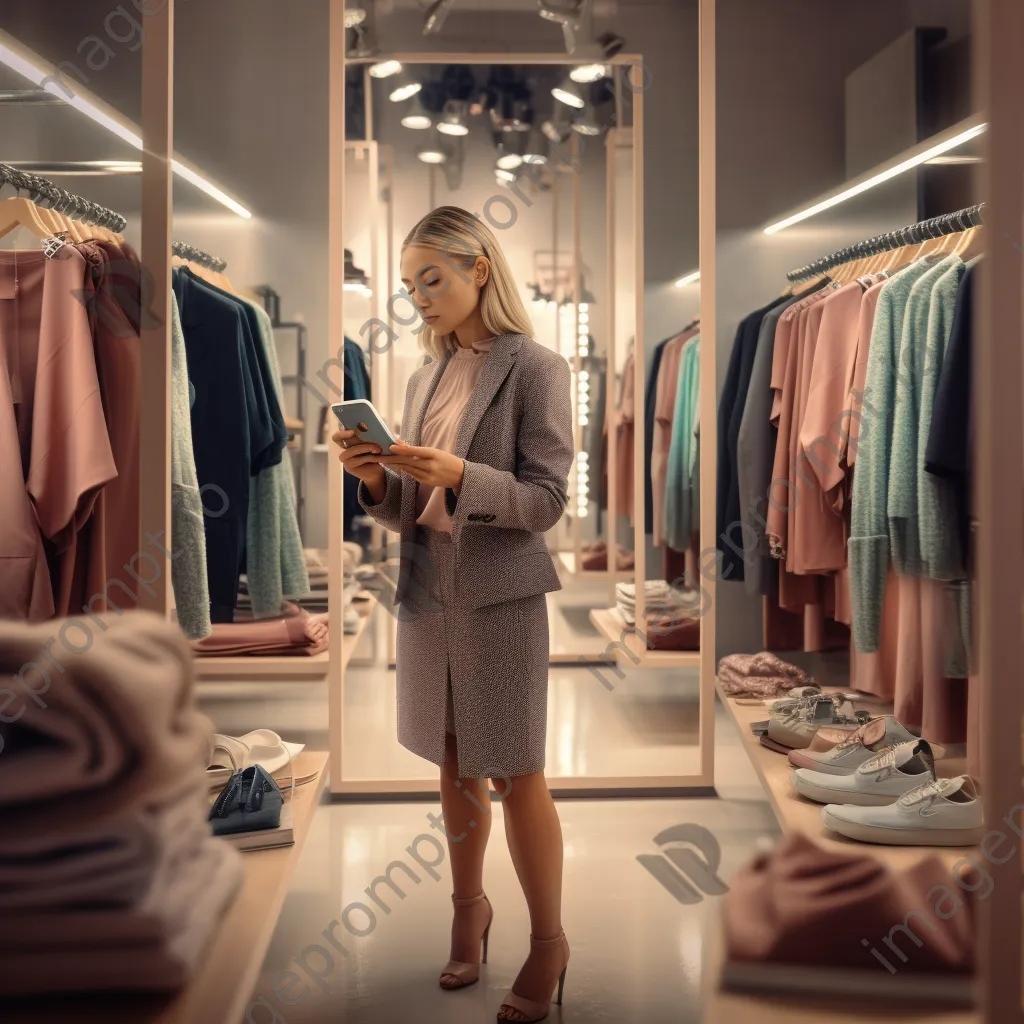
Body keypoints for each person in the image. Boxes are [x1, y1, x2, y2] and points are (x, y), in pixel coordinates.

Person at [334, 205, 573, 1023]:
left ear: (480, 267)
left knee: (516, 769)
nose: (418, 297)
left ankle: (549, 944)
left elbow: (546, 501)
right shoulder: (422, 374)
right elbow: (409, 507)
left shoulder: (537, 368)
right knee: (449, 758)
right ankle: (468, 912)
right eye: (408, 284)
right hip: (427, 589)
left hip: (500, 598)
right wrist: (373, 476)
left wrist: (463, 473)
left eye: (431, 278)